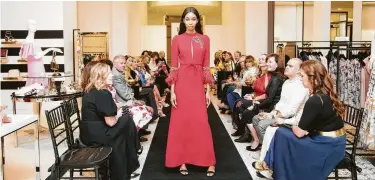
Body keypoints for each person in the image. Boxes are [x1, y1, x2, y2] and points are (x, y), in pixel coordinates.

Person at [252, 60, 346, 180]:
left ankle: (272, 167)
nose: (300, 79)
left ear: (312, 78)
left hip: (326, 145)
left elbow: (300, 132)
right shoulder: (324, 94)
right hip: (336, 142)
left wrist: (290, 126)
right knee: (281, 132)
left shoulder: (315, 100)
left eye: (302, 76)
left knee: (280, 133)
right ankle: (269, 165)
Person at [165, 7, 216, 177]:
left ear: (197, 21)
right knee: (181, 123)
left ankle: (209, 161)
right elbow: (174, 67)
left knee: (201, 121)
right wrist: (172, 91)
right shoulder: (177, 39)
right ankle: (182, 160)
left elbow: (207, 66)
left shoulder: (205, 39)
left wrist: (208, 91)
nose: (190, 22)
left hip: (197, 83)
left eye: (193, 19)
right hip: (181, 82)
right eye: (187, 19)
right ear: (183, 21)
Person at [80, 63, 140, 180]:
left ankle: (128, 162)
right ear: (101, 76)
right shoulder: (102, 94)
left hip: (88, 133)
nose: (112, 75)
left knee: (126, 124)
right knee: (126, 121)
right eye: (109, 73)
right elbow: (111, 122)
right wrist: (119, 114)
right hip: (97, 135)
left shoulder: (91, 91)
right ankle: (126, 165)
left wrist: (118, 111)